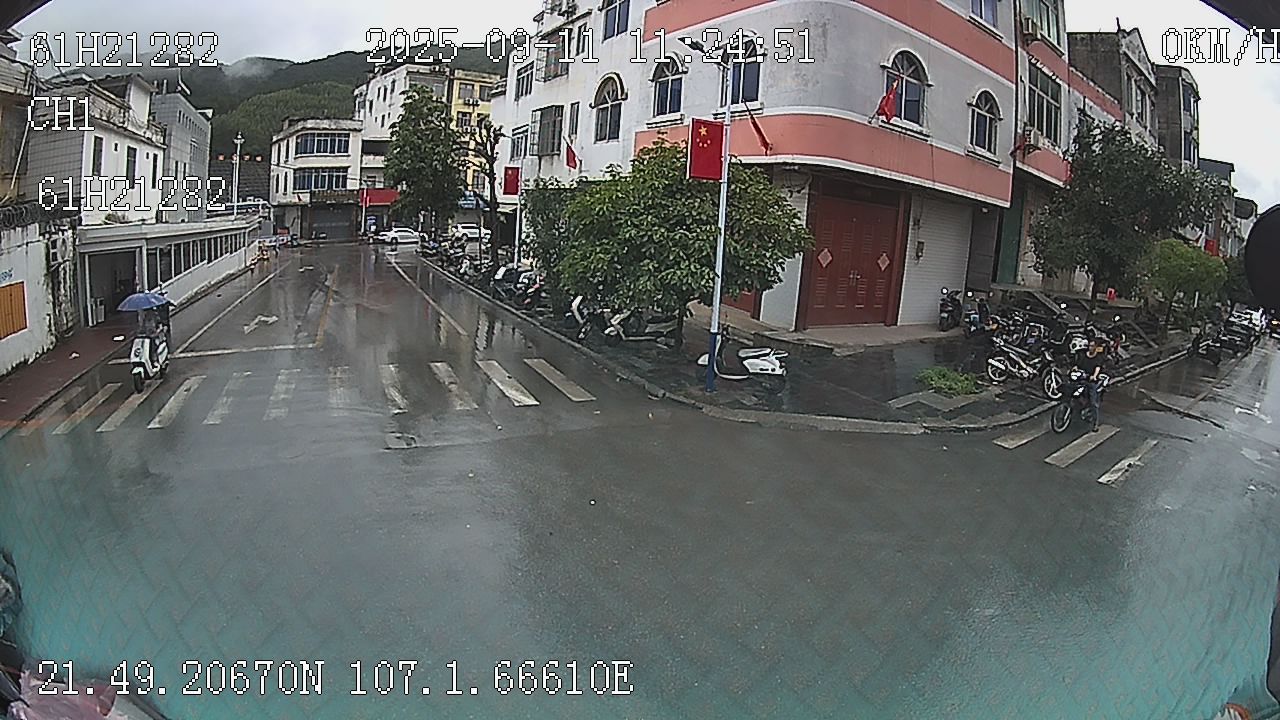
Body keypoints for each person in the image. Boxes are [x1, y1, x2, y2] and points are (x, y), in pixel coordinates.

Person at [1075, 338, 1108, 431]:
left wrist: (1094, 376)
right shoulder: (1084, 356)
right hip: (1082, 379)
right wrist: (1075, 368)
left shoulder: (1097, 358)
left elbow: (1097, 367)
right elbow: (1078, 365)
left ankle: (1095, 423)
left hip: (1091, 382)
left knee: (1093, 403)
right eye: (1089, 346)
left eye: (1092, 346)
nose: (1090, 348)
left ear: (1096, 347)